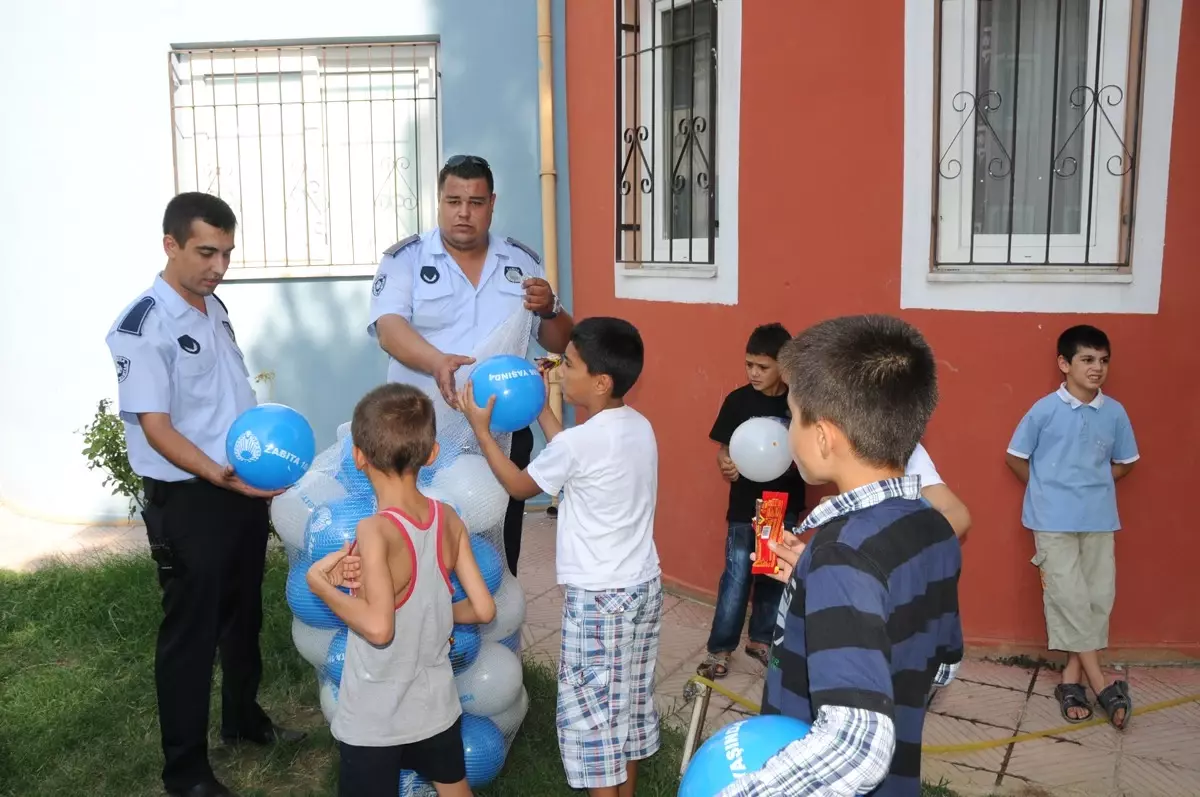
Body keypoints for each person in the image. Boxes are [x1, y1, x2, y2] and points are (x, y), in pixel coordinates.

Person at [104, 192, 304, 797]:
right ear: (171, 245)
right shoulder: (142, 325)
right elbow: (157, 427)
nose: (219, 266)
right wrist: (218, 475)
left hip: (240, 490)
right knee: (191, 632)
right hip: (189, 497)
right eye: (206, 252)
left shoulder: (213, 308)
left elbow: (227, 402)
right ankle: (185, 770)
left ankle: (244, 720)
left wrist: (255, 476)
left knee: (243, 614)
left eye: (227, 253)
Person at [724, 314, 964, 797]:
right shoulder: (931, 525)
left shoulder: (845, 555)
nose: (788, 432)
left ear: (823, 437)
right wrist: (814, 579)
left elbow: (855, 746)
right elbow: (944, 663)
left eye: (792, 416)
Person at [458, 317, 662, 797]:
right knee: (626, 709)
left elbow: (518, 485)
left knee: (593, 723)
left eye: (567, 365)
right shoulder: (637, 426)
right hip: (642, 589)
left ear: (601, 381)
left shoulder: (580, 443)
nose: (558, 372)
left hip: (599, 602)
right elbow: (567, 451)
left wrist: (482, 432)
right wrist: (538, 405)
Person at [368, 154, 575, 578]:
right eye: (454, 200)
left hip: (502, 428)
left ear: (492, 203)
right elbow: (388, 329)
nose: (464, 212)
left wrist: (551, 307)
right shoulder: (405, 259)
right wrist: (436, 361)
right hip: (421, 427)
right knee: (417, 540)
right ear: (439, 200)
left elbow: (558, 338)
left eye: (476, 202)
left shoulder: (520, 262)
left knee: (498, 541)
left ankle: (494, 630)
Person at [306, 383, 497, 797]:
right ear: (431, 454)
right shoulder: (448, 518)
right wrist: (436, 611)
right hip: (436, 705)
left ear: (357, 456)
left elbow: (378, 628)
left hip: (375, 713)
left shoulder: (374, 529)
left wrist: (320, 586)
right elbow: (483, 609)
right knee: (454, 789)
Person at [1005, 324, 1137, 729]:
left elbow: (1126, 462)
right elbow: (1015, 457)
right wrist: (1049, 491)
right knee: (1067, 595)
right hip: (1052, 521)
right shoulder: (1044, 410)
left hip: (1099, 520)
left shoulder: (1114, 413)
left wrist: (1090, 486)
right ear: (1064, 364)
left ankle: (1070, 680)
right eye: (1086, 360)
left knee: (1098, 597)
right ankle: (1101, 684)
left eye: (1103, 360)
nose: (1097, 368)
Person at [699, 323, 807, 680]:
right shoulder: (738, 401)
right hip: (745, 505)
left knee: (772, 576)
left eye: (762, 367)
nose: (754, 373)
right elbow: (724, 450)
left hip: (780, 503)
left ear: (784, 366)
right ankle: (720, 649)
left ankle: (761, 639)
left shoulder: (798, 405)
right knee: (735, 578)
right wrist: (725, 464)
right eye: (749, 365)